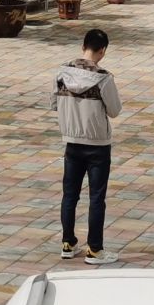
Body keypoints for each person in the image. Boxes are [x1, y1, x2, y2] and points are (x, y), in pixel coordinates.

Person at [52, 27, 122, 265]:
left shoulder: (62, 72)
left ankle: (68, 243)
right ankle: (95, 249)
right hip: (98, 145)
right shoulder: (103, 78)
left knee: (69, 195)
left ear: (84, 46)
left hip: (71, 141)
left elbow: (53, 103)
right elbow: (114, 110)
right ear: (102, 51)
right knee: (96, 198)